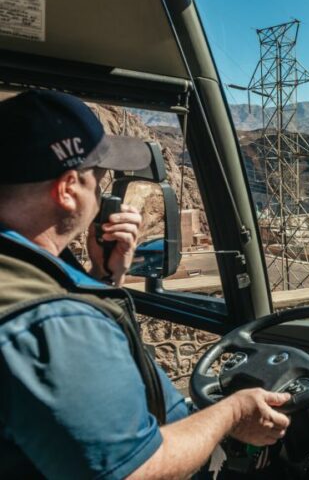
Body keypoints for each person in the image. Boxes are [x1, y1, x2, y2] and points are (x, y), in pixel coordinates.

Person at [0, 90, 290, 479]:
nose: (103, 194)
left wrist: (103, 277)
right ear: (68, 189)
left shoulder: (26, 275)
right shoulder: (52, 320)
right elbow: (134, 471)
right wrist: (233, 413)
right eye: (99, 181)